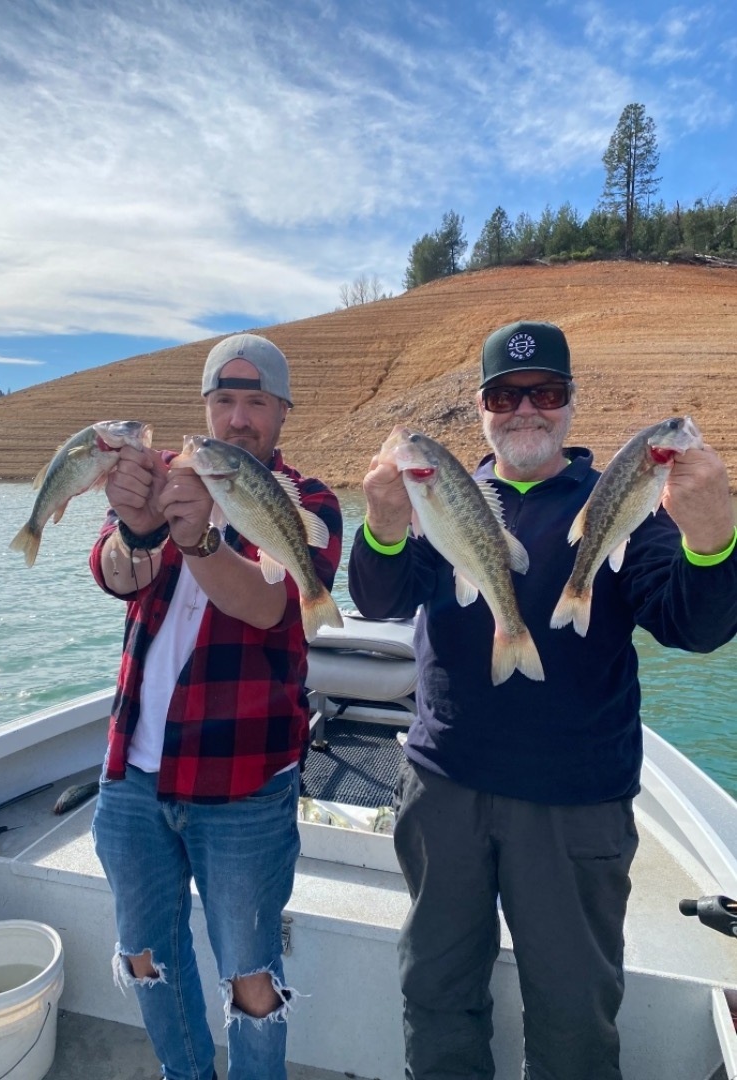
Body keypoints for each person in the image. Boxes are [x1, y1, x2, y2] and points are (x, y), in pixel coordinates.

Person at [348, 319, 737, 1080]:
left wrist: (715, 541)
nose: (526, 408)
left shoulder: (623, 499)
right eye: (506, 393)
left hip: (575, 803)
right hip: (444, 788)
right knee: (434, 991)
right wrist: (385, 529)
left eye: (546, 392)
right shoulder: (442, 494)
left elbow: (691, 626)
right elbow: (382, 599)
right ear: (482, 408)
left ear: (569, 404)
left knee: (573, 1014)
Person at [89, 333, 342, 1080]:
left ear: (281, 415)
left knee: (250, 978)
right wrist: (137, 529)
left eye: (256, 403)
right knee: (142, 956)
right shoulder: (161, 479)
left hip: (243, 788)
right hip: (130, 778)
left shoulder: (310, 501)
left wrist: (196, 538)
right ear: (204, 407)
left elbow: (267, 606)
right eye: (224, 401)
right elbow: (114, 576)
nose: (238, 419)